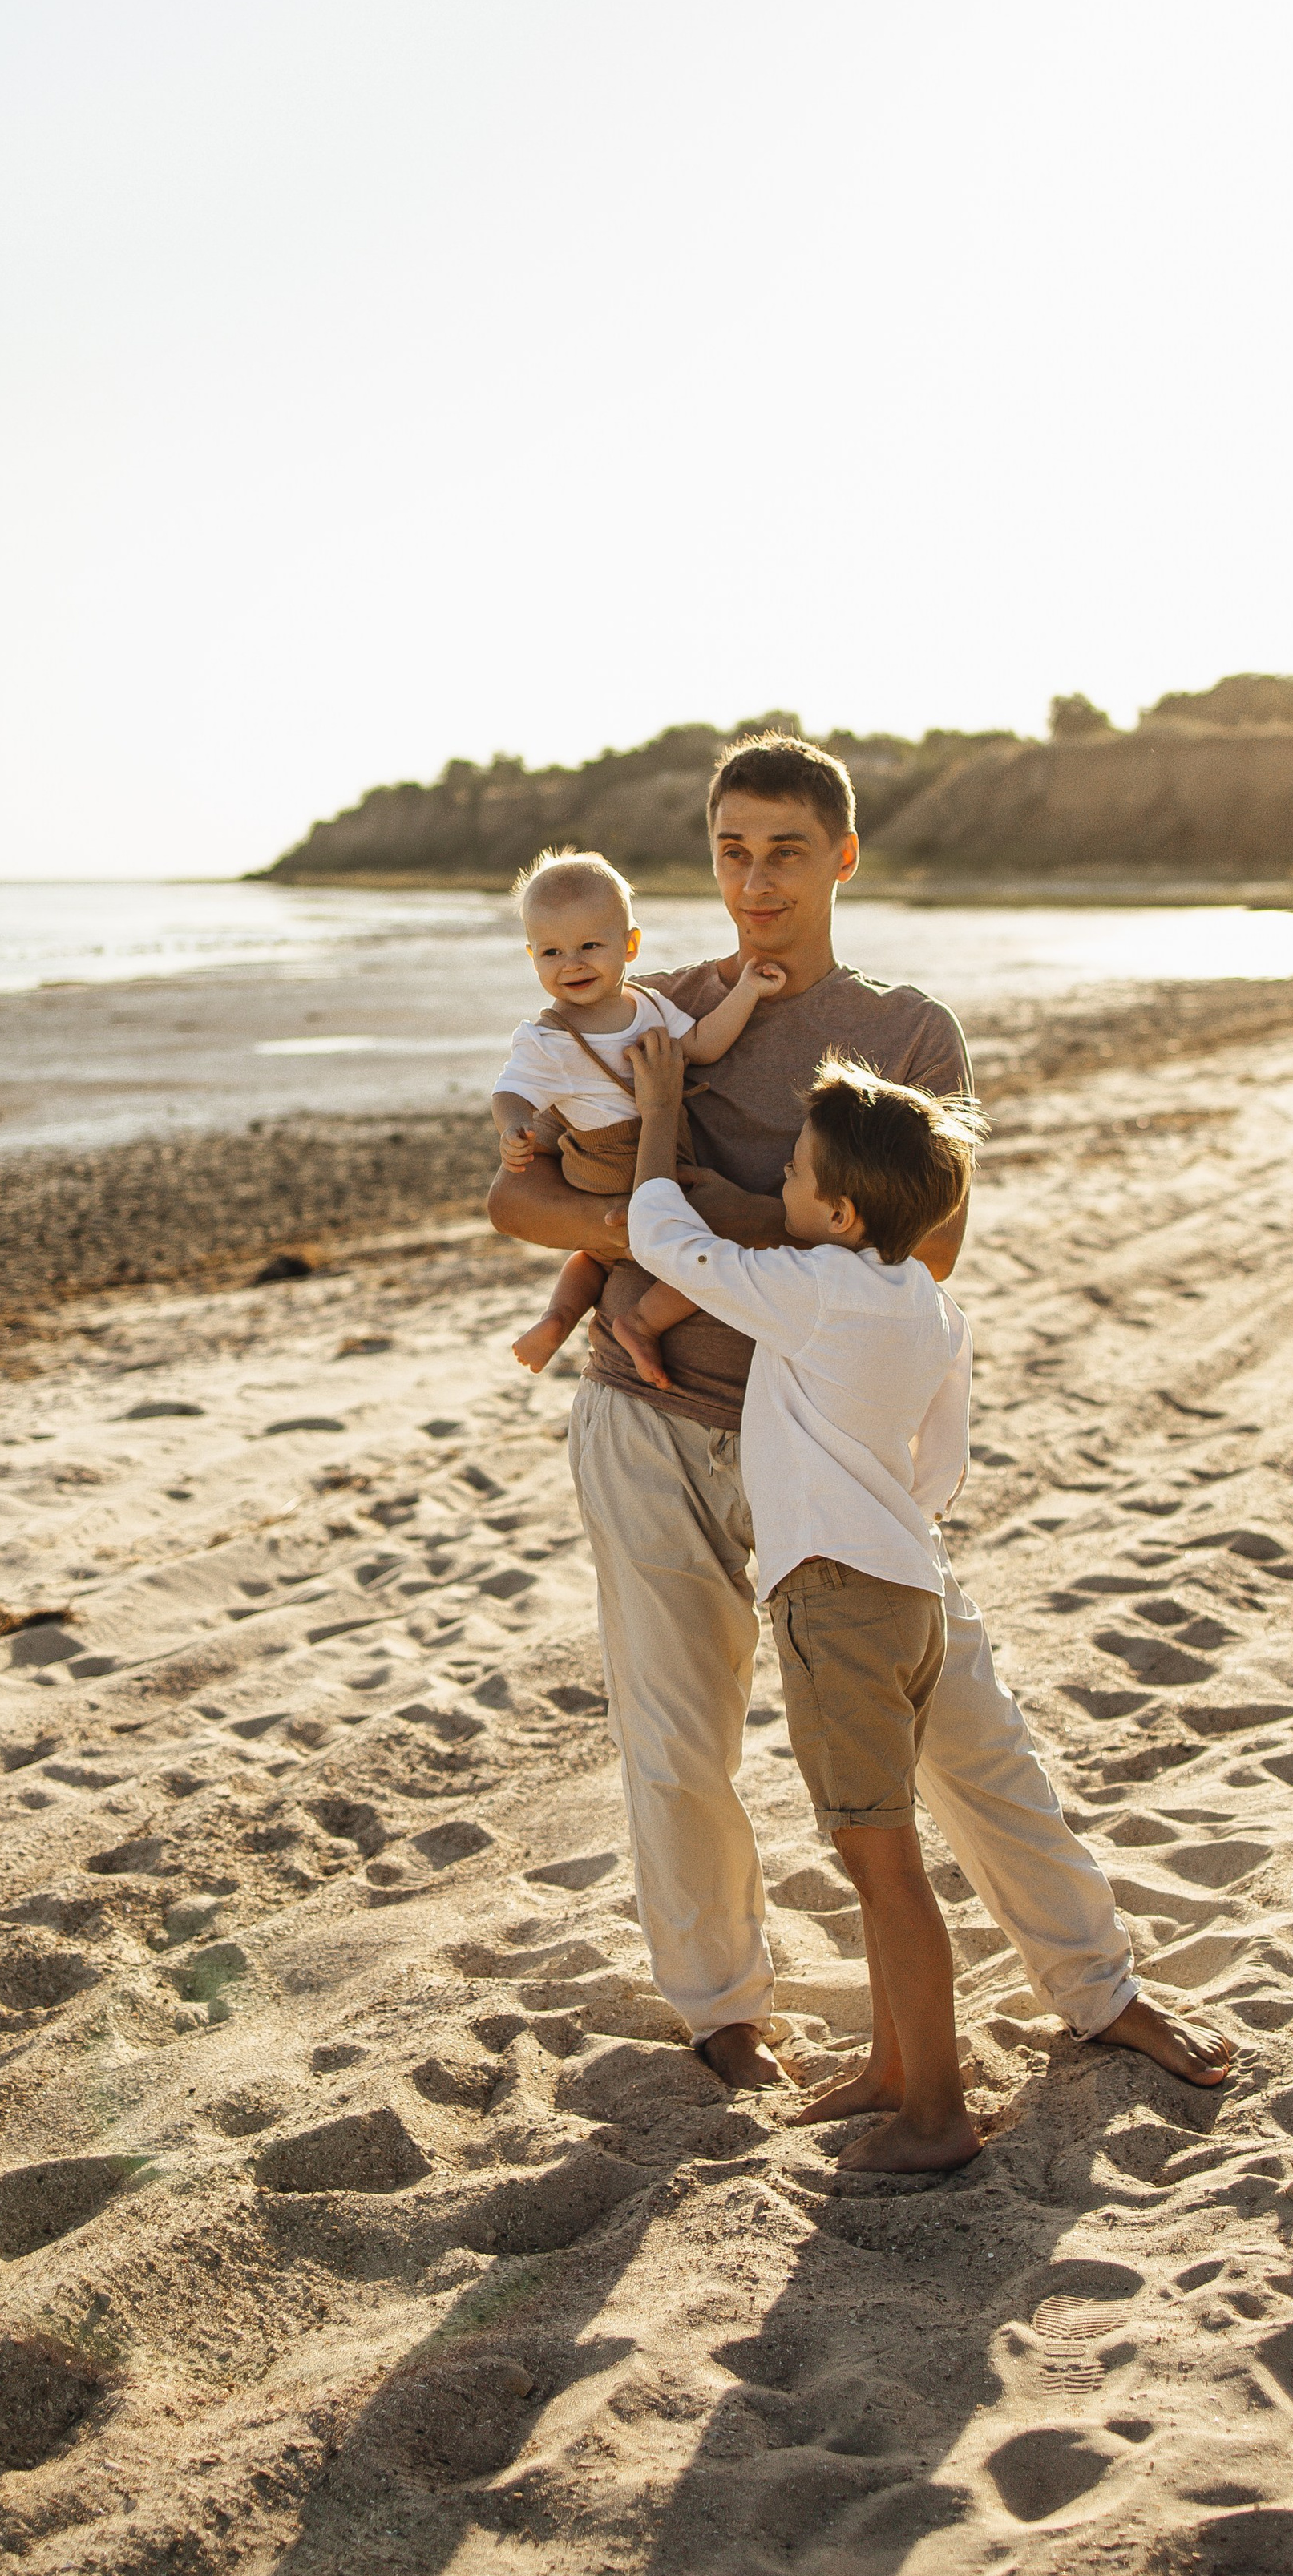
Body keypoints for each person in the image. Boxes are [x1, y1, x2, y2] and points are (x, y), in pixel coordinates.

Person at [487, 731, 1234, 2098]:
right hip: (644, 1427)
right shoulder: (646, 1011)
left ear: (840, 857)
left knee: (966, 1724)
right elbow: (514, 1201)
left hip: (828, 1447)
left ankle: (1100, 1987)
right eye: (730, 850)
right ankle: (723, 2011)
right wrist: (649, 1235)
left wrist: (737, 1254)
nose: (755, 880)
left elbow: (933, 1252)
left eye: (784, 852)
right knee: (679, 1741)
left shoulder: (908, 1036)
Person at [627, 1035, 984, 2170]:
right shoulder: (928, 1306)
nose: (777, 1185)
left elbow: (663, 1239)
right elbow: (942, 1467)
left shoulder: (812, 1293)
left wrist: (657, 1113)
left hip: (835, 1597)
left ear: (836, 1214)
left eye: (791, 1175)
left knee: (881, 1862)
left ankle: (934, 2112)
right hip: (908, 1590)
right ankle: (890, 2066)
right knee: (881, 1848)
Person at [490, 848, 786, 1384]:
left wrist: (746, 991)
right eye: (551, 952)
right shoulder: (547, 1038)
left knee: (598, 1257)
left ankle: (557, 1320)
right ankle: (641, 1325)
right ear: (531, 956)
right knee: (710, 1247)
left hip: (656, 1155)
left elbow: (703, 1043)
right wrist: (512, 1128)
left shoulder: (647, 1005)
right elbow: (511, 1091)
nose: (571, 964)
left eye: (589, 946)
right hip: (610, 1159)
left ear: (630, 944)